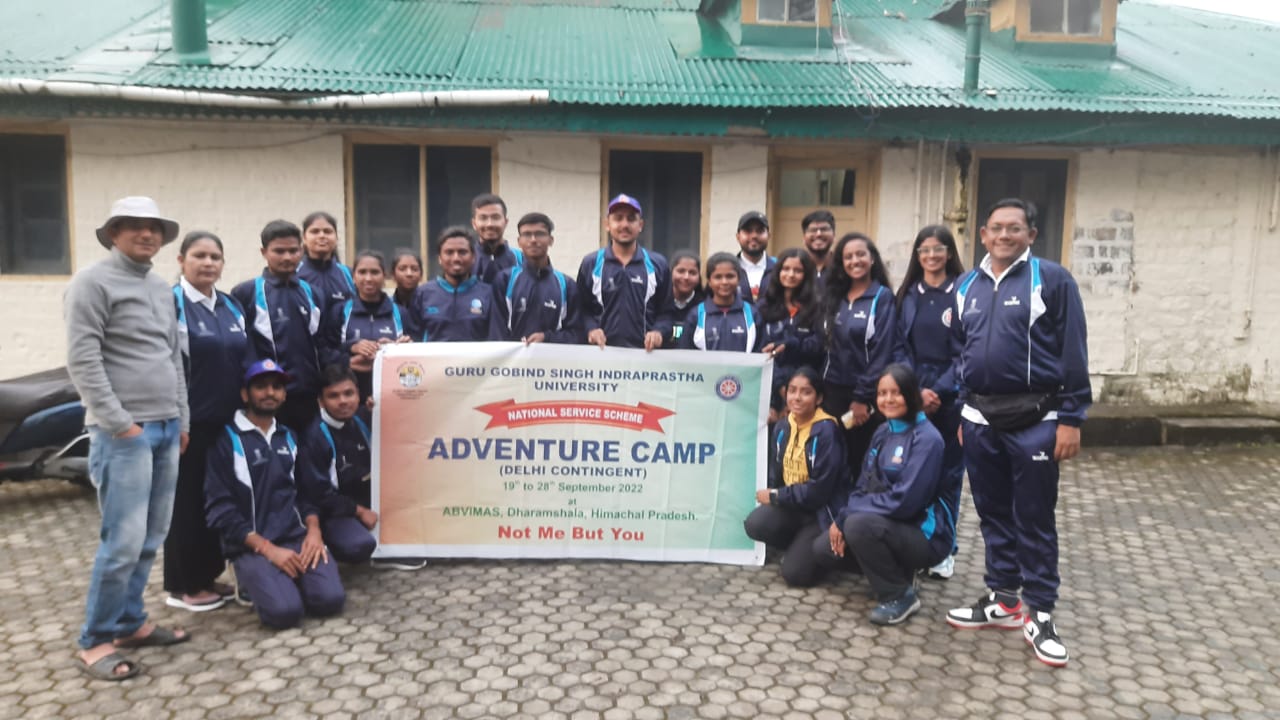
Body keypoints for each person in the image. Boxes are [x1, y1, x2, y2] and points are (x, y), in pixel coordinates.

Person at [944, 198, 1090, 669]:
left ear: (1031, 235)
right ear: (983, 235)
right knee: (992, 513)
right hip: (980, 420)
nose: (1004, 235)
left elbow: (1073, 350)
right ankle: (1004, 599)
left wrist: (1071, 418)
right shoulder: (965, 285)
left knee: (1034, 516)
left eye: (1014, 228)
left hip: (1036, 421)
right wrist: (965, 411)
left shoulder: (1053, 280)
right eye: (996, 228)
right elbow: (960, 352)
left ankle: (1040, 612)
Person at [65, 196, 191, 681]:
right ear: (113, 233)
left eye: (154, 227)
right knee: (121, 542)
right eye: (135, 226)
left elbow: (172, 356)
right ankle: (94, 640)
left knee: (151, 537)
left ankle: (129, 623)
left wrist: (181, 419)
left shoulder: (160, 287)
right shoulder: (91, 283)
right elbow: (83, 359)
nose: (147, 234)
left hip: (166, 428)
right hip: (123, 435)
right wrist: (121, 424)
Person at [204, 360, 345, 629]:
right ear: (245, 394)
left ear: (284, 395)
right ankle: (257, 579)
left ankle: (286, 580)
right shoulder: (226, 440)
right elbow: (220, 510)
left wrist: (314, 532)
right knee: (285, 613)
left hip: (297, 538)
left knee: (330, 600)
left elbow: (307, 492)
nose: (270, 393)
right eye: (261, 387)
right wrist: (268, 550)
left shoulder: (288, 436)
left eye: (277, 387)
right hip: (253, 546)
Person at [820, 364, 955, 625]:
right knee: (822, 550)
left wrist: (849, 517)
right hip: (887, 522)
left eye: (896, 393)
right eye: (882, 393)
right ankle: (896, 570)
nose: (888, 399)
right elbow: (863, 485)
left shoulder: (928, 439)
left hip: (925, 534)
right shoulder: (883, 430)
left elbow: (905, 502)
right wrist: (843, 516)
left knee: (858, 526)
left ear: (911, 394)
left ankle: (899, 595)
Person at [164, 231, 250, 613]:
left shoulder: (231, 305)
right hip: (189, 425)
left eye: (215, 257)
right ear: (181, 260)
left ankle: (207, 574)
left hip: (227, 424)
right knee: (186, 504)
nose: (208, 263)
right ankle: (182, 585)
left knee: (215, 500)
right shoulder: (170, 303)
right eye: (199, 255)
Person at [894, 224, 966, 581]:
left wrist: (938, 390)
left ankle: (944, 549)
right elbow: (899, 346)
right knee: (913, 474)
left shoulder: (964, 292)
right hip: (914, 397)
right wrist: (916, 392)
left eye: (938, 249)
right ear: (917, 255)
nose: (932, 255)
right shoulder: (908, 295)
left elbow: (968, 350)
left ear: (949, 253)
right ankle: (915, 543)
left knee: (947, 477)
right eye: (925, 250)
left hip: (950, 400)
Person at [743, 367, 848, 587]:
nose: (797, 397)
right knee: (755, 523)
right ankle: (800, 546)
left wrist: (776, 496)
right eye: (792, 390)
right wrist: (775, 495)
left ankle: (818, 552)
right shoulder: (783, 426)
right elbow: (777, 474)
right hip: (794, 506)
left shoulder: (827, 431)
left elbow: (819, 492)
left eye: (806, 392)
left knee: (795, 575)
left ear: (818, 398)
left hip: (821, 513)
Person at [232, 220, 324, 433]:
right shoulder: (246, 293)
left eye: (293, 251)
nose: (287, 257)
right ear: (264, 252)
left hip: (309, 400)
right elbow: (241, 349)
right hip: (267, 400)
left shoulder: (314, 293)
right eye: (279, 251)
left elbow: (323, 344)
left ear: (302, 251)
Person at [821, 232, 896, 470]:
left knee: (861, 461)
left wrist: (861, 398)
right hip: (832, 394)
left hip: (864, 397)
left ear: (872, 258)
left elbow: (882, 352)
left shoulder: (882, 297)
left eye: (860, 254)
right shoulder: (835, 297)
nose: (855, 261)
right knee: (833, 460)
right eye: (848, 257)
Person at [295, 366, 378, 565]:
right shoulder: (314, 438)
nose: (343, 401)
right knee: (359, 545)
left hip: (371, 501)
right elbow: (319, 495)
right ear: (321, 401)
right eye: (333, 396)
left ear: (358, 394)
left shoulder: (364, 418)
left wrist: (380, 405)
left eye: (348, 393)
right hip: (335, 512)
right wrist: (359, 511)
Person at [575, 194, 671, 351]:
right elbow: (581, 309)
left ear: (640, 225)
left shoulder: (658, 264)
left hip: (646, 356)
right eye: (618, 218)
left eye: (631, 219)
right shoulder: (591, 263)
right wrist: (591, 329)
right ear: (607, 224)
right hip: (601, 355)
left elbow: (667, 313)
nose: (625, 224)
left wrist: (659, 332)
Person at [319, 250, 411, 401]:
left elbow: (414, 355)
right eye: (362, 272)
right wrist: (350, 350)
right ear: (353, 277)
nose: (368, 278)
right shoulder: (340, 311)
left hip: (391, 395)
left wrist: (396, 348)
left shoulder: (401, 313)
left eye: (374, 272)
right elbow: (324, 352)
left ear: (385, 276)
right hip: (349, 398)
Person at [757, 248, 823, 423]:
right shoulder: (764, 306)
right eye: (786, 269)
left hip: (806, 391)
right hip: (770, 390)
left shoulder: (817, 306)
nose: (791, 275)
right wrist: (781, 388)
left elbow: (818, 346)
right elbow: (761, 350)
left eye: (798, 270)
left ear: (806, 274)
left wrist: (791, 343)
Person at [493, 212, 581, 344]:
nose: (533, 240)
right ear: (519, 241)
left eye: (540, 234)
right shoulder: (505, 280)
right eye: (527, 234)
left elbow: (577, 334)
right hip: (512, 358)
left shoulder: (567, 285)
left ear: (551, 240)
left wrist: (547, 338)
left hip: (552, 357)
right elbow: (496, 332)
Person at [412, 226, 505, 342]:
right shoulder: (422, 294)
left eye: (462, 252)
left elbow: (497, 340)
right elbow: (412, 339)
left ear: (473, 257)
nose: (456, 258)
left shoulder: (489, 294)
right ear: (440, 258)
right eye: (449, 252)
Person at [677, 252, 762, 353]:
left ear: (739, 279)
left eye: (730, 276)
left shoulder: (752, 314)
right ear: (709, 281)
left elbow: (761, 353)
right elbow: (685, 355)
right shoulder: (696, 315)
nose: (724, 282)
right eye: (718, 277)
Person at [296, 211, 354, 311]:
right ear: (304, 238)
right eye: (315, 231)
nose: (322, 236)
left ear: (337, 238)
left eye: (327, 231)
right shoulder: (294, 274)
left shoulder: (348, 275)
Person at [472, 193, 522, 285]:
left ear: (505, 222)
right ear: (474, 224)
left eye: (496, 217)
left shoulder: (521, 260)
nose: (490, 224)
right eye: (483, 218)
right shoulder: (464, 259)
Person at [656, 250, 703, 348]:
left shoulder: (704, 307)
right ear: (670, 272)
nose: (686, 277)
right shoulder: (657, 301)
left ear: (699, 276)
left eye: (692, 273)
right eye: (681, 271)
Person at [735, 211, 775, 302]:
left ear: (768, 236)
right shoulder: (728, 270)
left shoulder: (780, 269)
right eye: (748, 231)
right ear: (738, 237)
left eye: (760, 231)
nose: (754, 236)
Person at [391, 248, 424, 341]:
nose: (409, 274)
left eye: (414, 269)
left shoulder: (429, 304)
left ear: (421, 275)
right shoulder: (386, 306)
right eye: (402, 269)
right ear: (393, 274)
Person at [801, 210, 836, 284]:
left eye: (824, 229)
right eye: (813, 230)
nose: (818, 234)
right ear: (804, 237)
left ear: (834, 236)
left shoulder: (843, 267)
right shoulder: (796, 267)